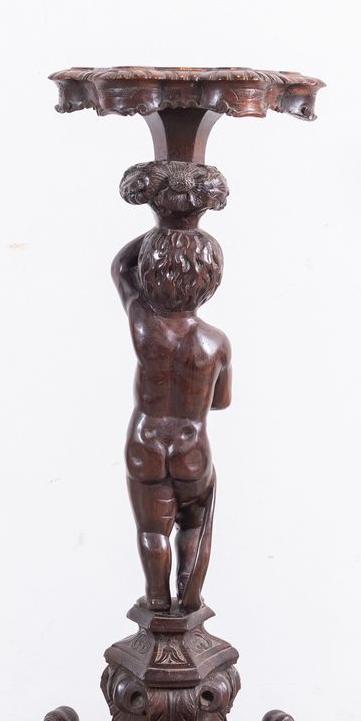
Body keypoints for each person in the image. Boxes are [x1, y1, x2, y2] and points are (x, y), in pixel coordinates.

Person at [111, 227, 231, 612]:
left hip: (145, 441)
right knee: (193, 524)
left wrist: (161, 228)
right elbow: (221, 402)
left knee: (152, 530)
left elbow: (120, 268)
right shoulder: (216, 344)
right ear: (210, 282)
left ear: (150, 275)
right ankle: (188, 592)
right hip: (191, 445)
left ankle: (157, 599)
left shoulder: (144, 324)